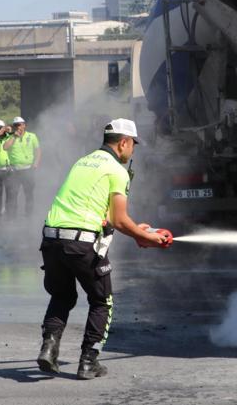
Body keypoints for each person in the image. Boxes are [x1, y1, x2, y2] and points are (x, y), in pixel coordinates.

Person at [36, 118, 173, 379]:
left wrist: (139, 231)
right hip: (81, 243)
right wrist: (148, 238)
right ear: (123, 142)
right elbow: (120, 220)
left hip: (52, 239)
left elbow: (102, 214)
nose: (133, 150)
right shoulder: (117, 171)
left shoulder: (83, 162)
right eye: (133, 144)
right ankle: (89, 360)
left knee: (62, 296)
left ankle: (49, 349)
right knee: (102, 301)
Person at [4, 116, 41, 217]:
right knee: (13, 194)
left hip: (28, 169)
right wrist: (14, 137)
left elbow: (38, 150)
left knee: (29, 194)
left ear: (24, 125)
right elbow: (5, 147)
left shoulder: (32, 136)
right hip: (15, 170)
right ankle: (12, 216)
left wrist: (36, 163)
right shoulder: (10, 137)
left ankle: (29, 215)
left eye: (19, 125)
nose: (18, 127)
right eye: (15, 125)